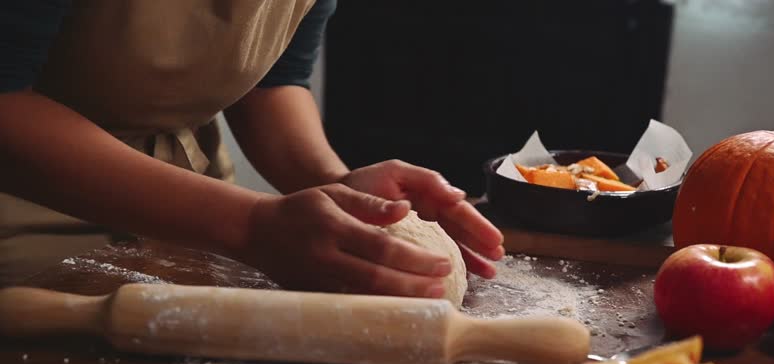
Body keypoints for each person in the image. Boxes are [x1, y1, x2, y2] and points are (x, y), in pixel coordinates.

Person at [0, 0, 504, 294]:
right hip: (27, 205)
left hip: (198, 207)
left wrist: (336, 187)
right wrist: (247, 223)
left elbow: (273, 81)